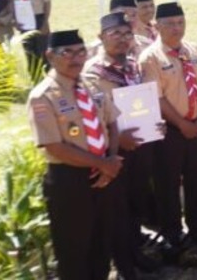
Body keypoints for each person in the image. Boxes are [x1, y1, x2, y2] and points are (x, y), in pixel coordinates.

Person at [28, 30, 128, 280]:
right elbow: (54, 146)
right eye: (67, 53)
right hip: (69, 182)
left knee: (101, 245)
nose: (76, 58)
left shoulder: (92, 85)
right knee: (74, 251)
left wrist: (111, 160)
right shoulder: (42, 97)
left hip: (104, 176)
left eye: (81, 51)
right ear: (50, 56)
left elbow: (112, 123)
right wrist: (104, 164)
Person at [81, 12, 161, 274]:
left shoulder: (133, 66)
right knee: (118, 210)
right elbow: (92, 118)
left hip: (141, 146)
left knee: (137, 203)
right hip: (113, 151)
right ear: (101, 37)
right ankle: (124, 265)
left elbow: (143, 103)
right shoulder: (93, 74)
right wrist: (117, 139)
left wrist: (154, 123)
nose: (123, 40)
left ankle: (135, 253)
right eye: (115, 34)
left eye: (127, 34)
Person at [138, 2, 197, 263]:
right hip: (170, 131)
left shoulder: (193, 50)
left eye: (180, 22)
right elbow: (157, 99)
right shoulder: (150, 58)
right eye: (170, 24)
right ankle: (172, 233)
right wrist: (183, 124)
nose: (176, 28)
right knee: (168, 184)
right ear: (157, 26)